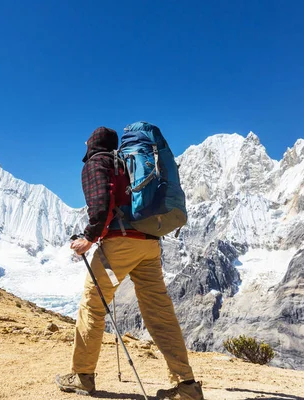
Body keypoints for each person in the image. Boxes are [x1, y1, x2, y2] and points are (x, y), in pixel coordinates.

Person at [55, 126, 204, 400]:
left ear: (92, 143)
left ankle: (82, 376)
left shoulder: (97, 162)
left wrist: (88, 238)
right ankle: (187, 385)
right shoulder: (126, 163)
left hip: (119, 245)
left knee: (93, 304)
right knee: (159, 312)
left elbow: (100, 204)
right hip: (149, 244)